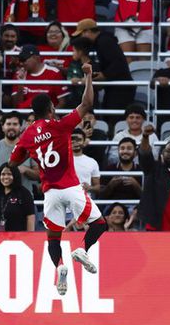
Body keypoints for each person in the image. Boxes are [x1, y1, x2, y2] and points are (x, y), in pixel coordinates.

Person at [9, 63, 106, 295]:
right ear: (52, 108)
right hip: (71, 186)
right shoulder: (61, 125)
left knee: (53, 237)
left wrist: (33, 154)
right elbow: (87, 104)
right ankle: (83, 249)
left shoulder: (28, 134)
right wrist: (89, 76)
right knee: (99, 224)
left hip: (49, 192)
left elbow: (13, 163)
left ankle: (60, 267)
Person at [72, 19, 135, 121]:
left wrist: (103, 75)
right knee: (110, 115)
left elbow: (117, 64)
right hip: (117, 86)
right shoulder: (103, 41)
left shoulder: (104, 42)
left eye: (82, 34)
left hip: (120, 88)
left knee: (114, 118)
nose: (82, 37)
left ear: (88, 31)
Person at [0, 112, 38, 193]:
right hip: (1, 199)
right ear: (3, 127)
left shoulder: (29, 147)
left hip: (25, 199)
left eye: (15, 124)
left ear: (20, 127)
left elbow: (38, 175)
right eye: (8, 124)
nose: (11, 127)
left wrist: (25, 170)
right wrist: (5, 178)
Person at [12, 45, 69, 110]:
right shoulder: (19, 74)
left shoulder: (54, 73)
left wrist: (51, 117)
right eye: (20, 60)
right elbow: (16, 105)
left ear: (36, 58)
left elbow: (62, 102)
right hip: (25, 116)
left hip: (47, 116)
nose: (21, 63)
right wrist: (20, 85)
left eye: (23, 60)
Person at [0, 163, 35, 232]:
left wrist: (30, 236)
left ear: (15, 175)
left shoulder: (24, 193)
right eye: (3, 174)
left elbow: (30, 217)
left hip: (17, 239)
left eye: (9, 174)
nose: (6, 177)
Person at [71, 128, 100, 197]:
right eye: (72, 139)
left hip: (85, 202)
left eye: (79, 140)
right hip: (65, 203)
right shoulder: (60, 160)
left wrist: (90, 188)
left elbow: (97, 187)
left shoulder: (92, 162)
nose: (75, 142)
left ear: (84, 142)